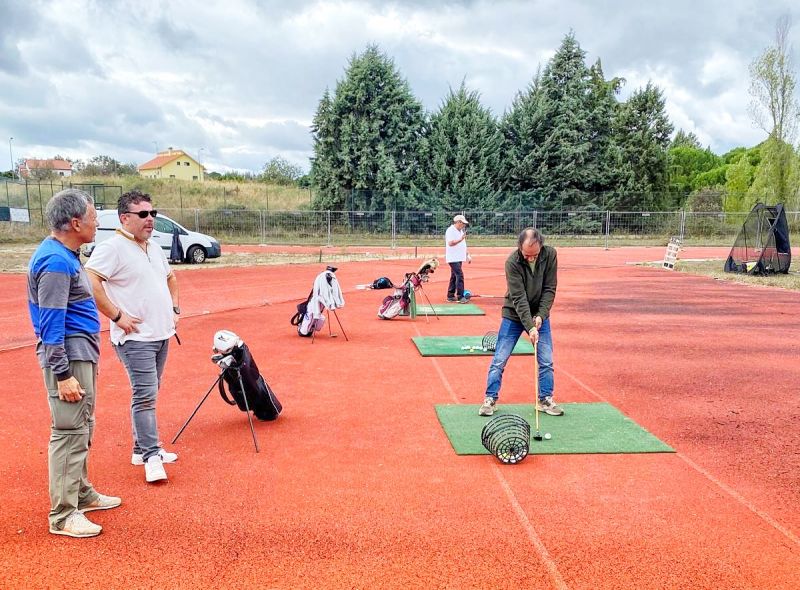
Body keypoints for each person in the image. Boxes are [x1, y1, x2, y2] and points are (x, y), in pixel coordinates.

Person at [27, 189, 121, 538]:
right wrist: (63, 374)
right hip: (68, 356)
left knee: (83, 425)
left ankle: (80, 493)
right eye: (94, 216)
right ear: (76, 222)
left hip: (80, 352)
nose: (98, 222)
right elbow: (51, 324)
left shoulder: (66, 254)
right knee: (69, 431)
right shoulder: (55, 262)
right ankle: (64, 515)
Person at [86, 190, 180, 483]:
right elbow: (91, 281)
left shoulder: (152, 247)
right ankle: (152, 455)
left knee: (151, 392)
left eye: (152, 213)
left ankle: (140, 450)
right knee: (145, 396)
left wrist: (175, 308)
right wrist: (116, 315)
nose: (150, 219)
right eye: (143, 214)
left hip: (162, 333)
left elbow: (170, 278)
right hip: (135, 338)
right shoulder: (112, 248)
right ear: (124, 218)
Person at [479, 227, 563, 417]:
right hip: (514, 315)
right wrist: (530, 327)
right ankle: (490, 399)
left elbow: (550, 288)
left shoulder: (550, 255)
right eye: (527, 255)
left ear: (541, 247)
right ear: (519, 247)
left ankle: (545, 399)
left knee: (546, 360)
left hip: (540, 315)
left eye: (534, 255)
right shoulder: (512, 262)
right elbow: (519, 298)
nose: (530, 258)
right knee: (500, 359)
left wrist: (541, 315)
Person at [445, 214, 471, 303]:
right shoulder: (450, 230)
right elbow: (450, 243)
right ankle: (460, 297)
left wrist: (467, 255)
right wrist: (460, 239)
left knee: (454, 276)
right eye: (463, 223)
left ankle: (450, 295)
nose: (464, 225)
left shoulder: (460, 231)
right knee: (459, 275)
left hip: (459, 257)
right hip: (453, 258)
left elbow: (463, 245)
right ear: (458, 222)